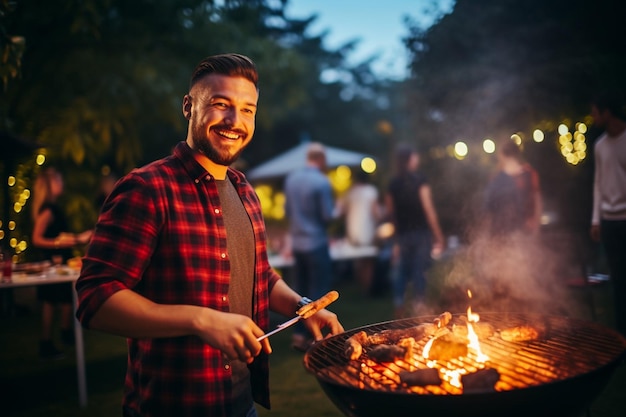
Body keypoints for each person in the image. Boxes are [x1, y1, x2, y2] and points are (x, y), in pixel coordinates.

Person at [75, 53, 344, 417]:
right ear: (188, 106)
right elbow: (95, 299)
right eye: (221, 105)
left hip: (239, 402)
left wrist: (302, 307)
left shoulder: (244, 189)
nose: (235, 121)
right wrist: (200, 320)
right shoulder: (146, 188)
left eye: (247, 109)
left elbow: (258, 276)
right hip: (172, 405)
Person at [30, 167, 92, 359]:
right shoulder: (48, 210)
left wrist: (76, 238)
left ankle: (63, 336)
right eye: (58, 180)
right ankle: (50, 342)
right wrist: (62, 242)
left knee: (61, 301)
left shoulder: (53, 207)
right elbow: (37, 239)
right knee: (51, 302)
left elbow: (60, 236)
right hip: (52, 264)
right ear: (48, 186)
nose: (62, 183)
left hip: (59, 263)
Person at [283, 142, 336, 351]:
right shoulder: (321, 182)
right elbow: (326, 215)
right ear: (321, 159)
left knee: (300, 290)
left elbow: (288, 211)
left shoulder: (291, 179)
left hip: (298, 243)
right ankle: (315, 337)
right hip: (316, 242)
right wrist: (336, 212)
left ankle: (298, 335)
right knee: (318, 291)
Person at [385, 143, 445, 318]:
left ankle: (399, 305)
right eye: (415, 156)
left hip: (403, 235)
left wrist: (396, 239)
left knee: (402, 272)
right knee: (419, 271)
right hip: (421, 234)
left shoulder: (393, 184)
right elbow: (429, 210)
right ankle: (420, 308)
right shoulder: (420, 181)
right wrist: (439, 236)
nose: (417, 159)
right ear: (410, 159)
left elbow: (391, 213)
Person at [589, 92, 626, 336]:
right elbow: (599, 184)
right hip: (609, 221)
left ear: (607, 112)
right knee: (618, 278)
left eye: (595, 111)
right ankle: (622, 333)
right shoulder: (600, 145)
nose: (592, 116)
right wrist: (595, 219)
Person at [335, 168, 382, 295]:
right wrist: (382, 219)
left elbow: (340, 211)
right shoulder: (370, 191)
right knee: (368, 262)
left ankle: (361, 288)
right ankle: (367, 291)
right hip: (367, 230)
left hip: (352, 232)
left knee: (358, 262)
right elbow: (375, 211)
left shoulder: (350, 192)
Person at [483, 138, 542, 237]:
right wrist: (536, 226)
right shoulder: (530, 173)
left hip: (501, 232)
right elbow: (537, 201)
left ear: (501, 155)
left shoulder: (496, 179)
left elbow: (488, 208)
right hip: (524, 230)